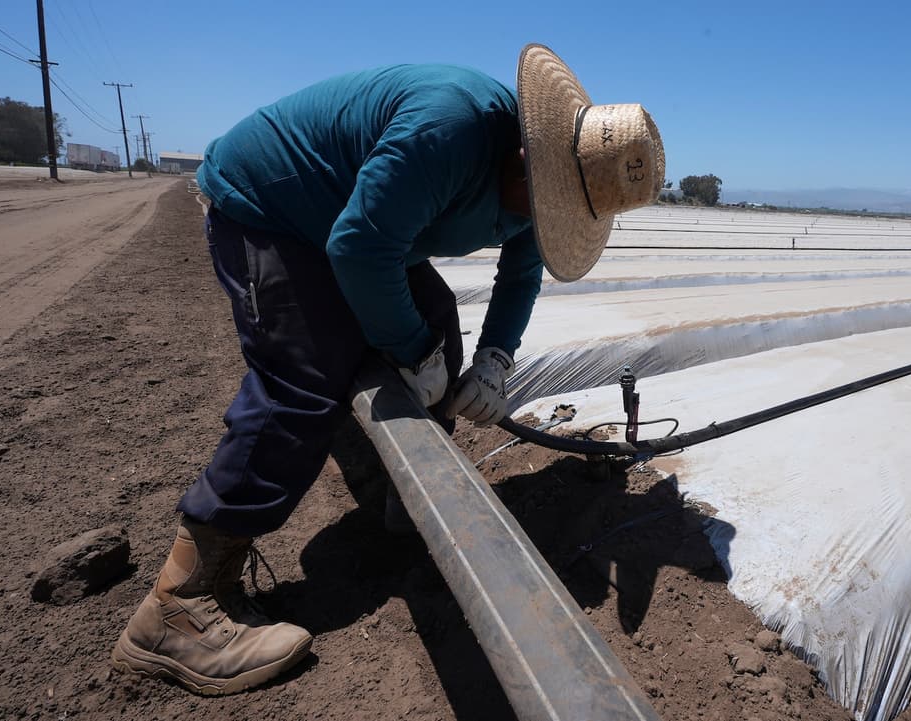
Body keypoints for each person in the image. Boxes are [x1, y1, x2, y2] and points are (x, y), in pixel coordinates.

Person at [110, 43, 664, 695]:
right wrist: (409, 351)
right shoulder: (448, 132)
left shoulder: (538, 179)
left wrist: (494, 358)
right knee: (304, 375)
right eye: (539, 206)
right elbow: (359, 247)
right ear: (527, 157)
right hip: (271, 208)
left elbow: (520, 267)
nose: (535, 223)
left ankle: (407, 500)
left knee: (433, 316)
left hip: (342, 218)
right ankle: (178, 606)